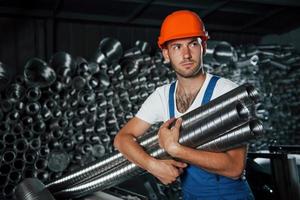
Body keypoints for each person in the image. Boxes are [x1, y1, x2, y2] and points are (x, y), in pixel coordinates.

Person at [114, 10, 254, 200]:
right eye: (177, 47)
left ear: (203, 47)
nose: (186, 54)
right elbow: (122, 139)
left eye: (193, 44)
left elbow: (235, 168)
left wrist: (175, 149)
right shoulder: (163, 96)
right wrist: (153, 165)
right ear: (166, 54)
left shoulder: (227, 92)